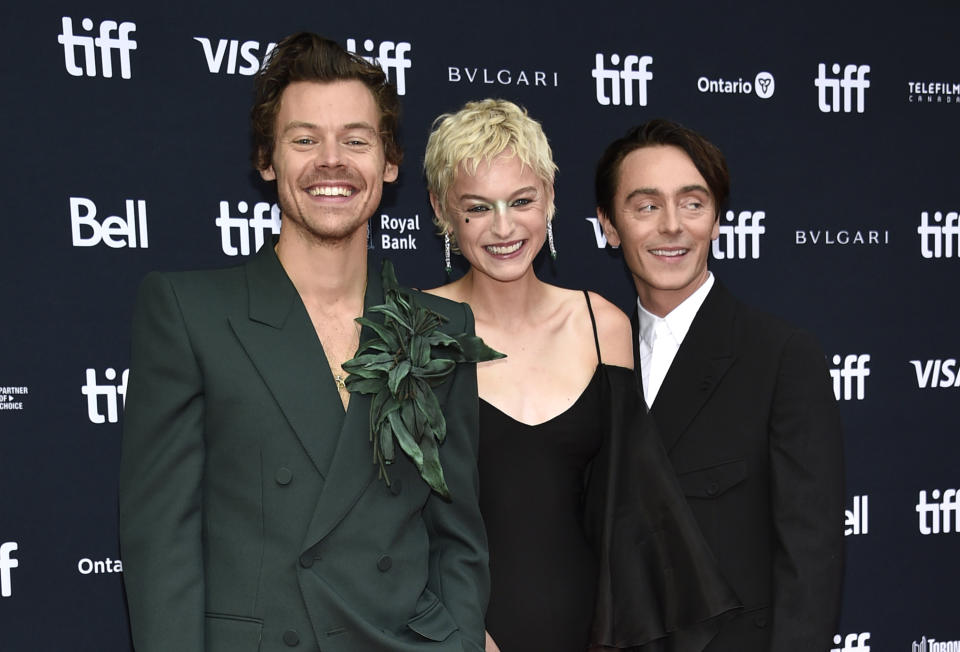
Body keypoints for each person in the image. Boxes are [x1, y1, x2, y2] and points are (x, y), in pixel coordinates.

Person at [118, 32, 488, 652]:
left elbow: (459, 536)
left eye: (355, 140)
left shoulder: (441, 330)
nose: (332, 161)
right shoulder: (189, 313)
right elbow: (162, 547)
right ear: (268, 160)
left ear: (389, 164)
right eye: (304, 139)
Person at [424, 100, 738, 652]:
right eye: (477, 207)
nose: (504, 226)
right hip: (457, 636)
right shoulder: (413, 332)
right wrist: (460, 633)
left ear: (548, 198)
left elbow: (633, 514)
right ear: (442, 210)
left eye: (521, 201)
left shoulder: (601, 326)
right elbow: (384, 526)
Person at [595, 118, 844, 651]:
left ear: (715, 219)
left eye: (692, 203)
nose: (671, 226)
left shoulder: (779, 356)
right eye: (645, 206)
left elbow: (810, 556)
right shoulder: (593, 353)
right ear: (609, 226)